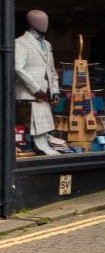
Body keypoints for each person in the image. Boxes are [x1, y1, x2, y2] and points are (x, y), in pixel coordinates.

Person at [14, 9, 62, 155]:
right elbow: (18, 68)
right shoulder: (20, 42)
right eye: (40, 20)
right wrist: (35, 89)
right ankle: (29, 146)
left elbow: (52, 71)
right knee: (29, 126)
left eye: (46, 20)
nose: (44, 23)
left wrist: (54, 91)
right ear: (31, 22)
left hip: (44, 95)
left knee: (43, 126)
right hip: (27, 95)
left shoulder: (47, 44)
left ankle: (42, 147)